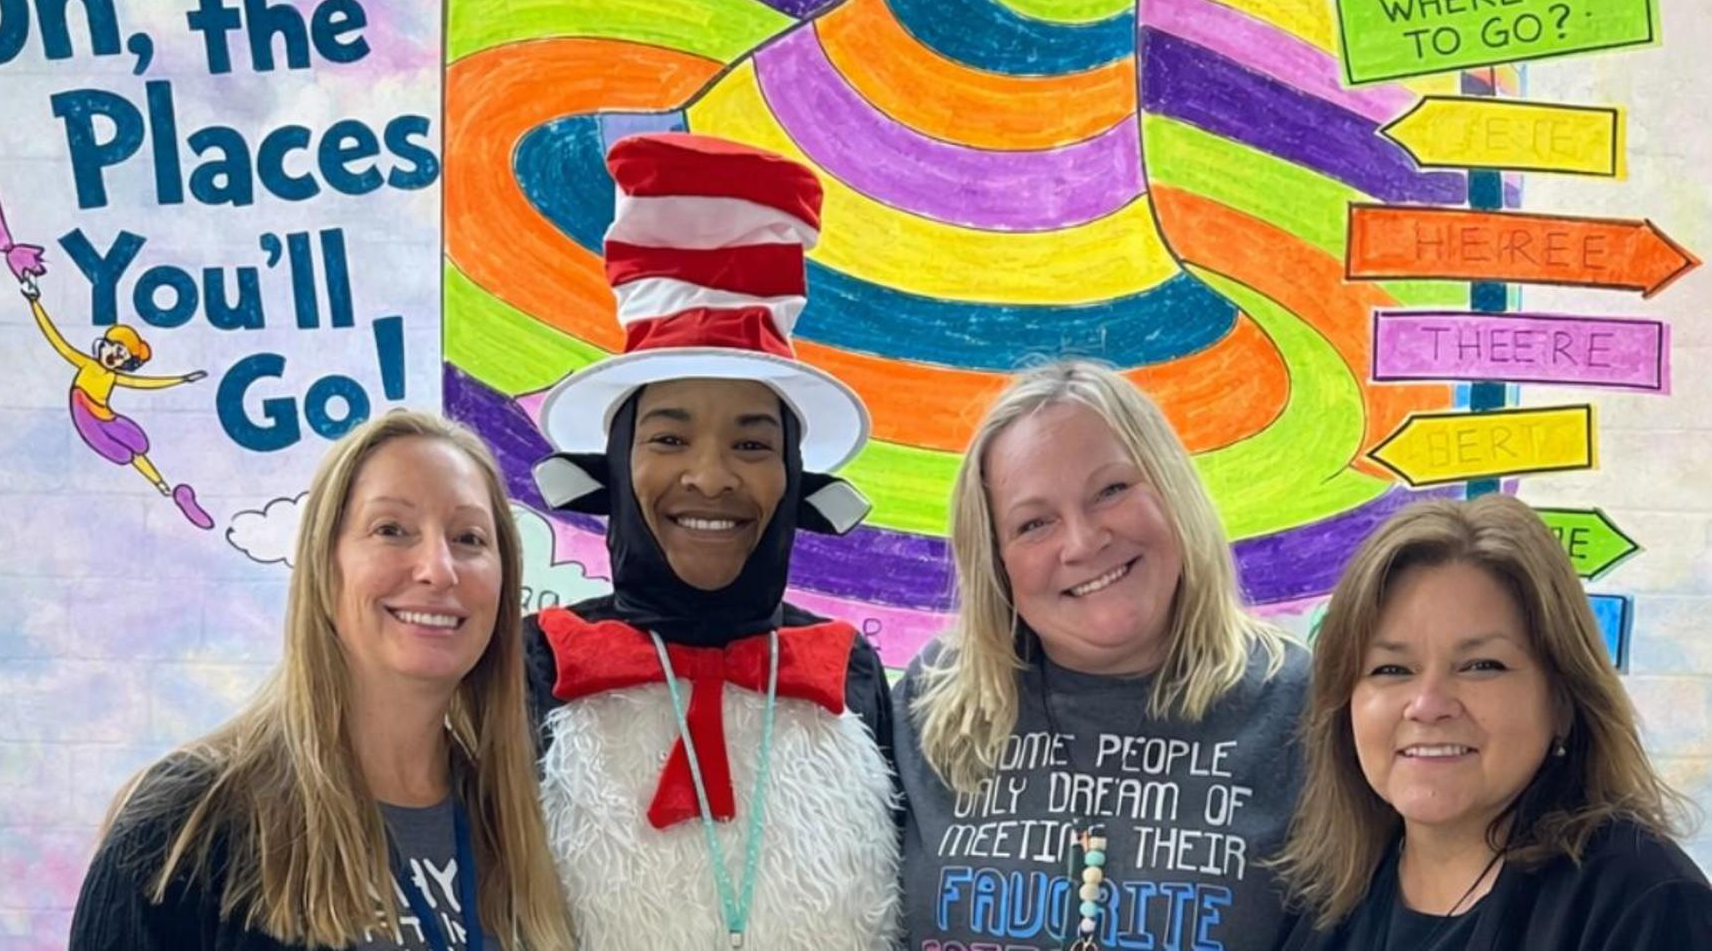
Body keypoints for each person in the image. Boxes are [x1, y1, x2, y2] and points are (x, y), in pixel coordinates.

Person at [523, 131, 900, 949]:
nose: (710, 476)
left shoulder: (851, 674)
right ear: (614, 467)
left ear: (794, 477)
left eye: (753, 443)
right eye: (668, 438)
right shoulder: (534, 666)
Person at [69, 410, 572, 951]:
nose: (438, 568)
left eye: (469, 538)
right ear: (325, 565)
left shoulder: (524, 827)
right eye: (391, 530)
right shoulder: (184, 821)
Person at [897, 359, 1306, 951]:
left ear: (1171, 490)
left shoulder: (1299, 706)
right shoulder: (929, 701)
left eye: (1111, 490)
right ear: (996, 560)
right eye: (1034, 524)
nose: (1083, 542)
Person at [1277, 494, 1711, 950]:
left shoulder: (1643, 906)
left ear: (1563, 698)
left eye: (1481, 666)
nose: (1427, 704)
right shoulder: (1324, 891)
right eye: (1391, 669)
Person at [21, 277, 213, 528]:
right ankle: (164, 488)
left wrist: (181, 379)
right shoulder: (87, 364)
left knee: (138, 445)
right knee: (123, 454)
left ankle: (165, 488)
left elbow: (144, 383)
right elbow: (57, 340)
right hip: (87, 417)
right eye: (115, 349)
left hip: (106, 416)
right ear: (103, 345)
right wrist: (34, 301)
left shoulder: (113, 376)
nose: (115, 357)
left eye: (122, 357)